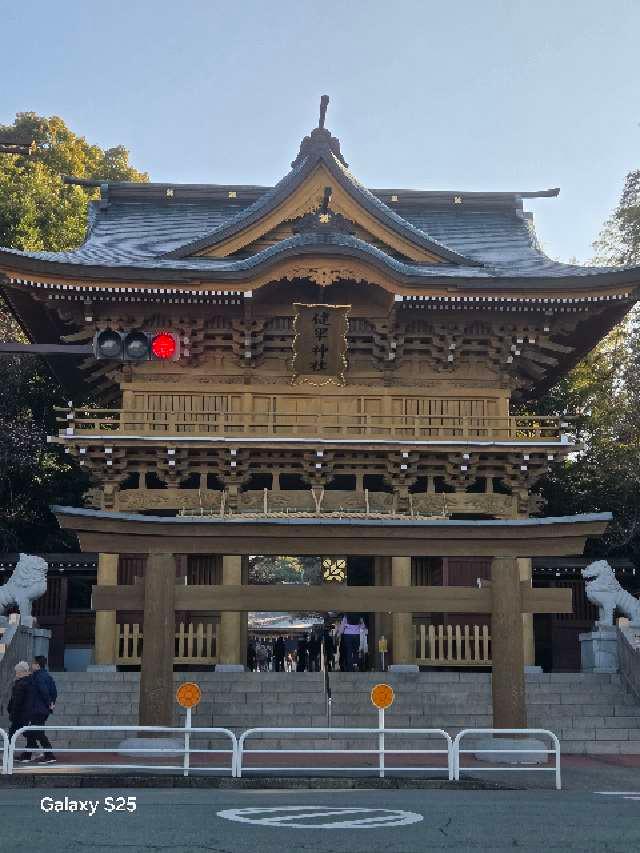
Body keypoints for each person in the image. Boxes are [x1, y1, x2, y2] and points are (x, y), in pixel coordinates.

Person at [22, 655, 57, 764]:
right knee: (32, 731)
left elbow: (44, 691)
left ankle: (49, 755)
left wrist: (49, 703)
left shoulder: (38, 677)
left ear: (37, 665)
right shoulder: (46, 676)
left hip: (38, 709)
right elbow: (54, 692)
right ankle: (28, 754)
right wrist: (51, 703)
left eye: (33, 663)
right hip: (40, 709)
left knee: (38, 732)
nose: (31, 665)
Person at [8, 662, 33, 763]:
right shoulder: (29, 681)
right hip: (26, 713)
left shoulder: (21, 684)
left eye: (17, 672)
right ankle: (29, 753)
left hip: (20, 714)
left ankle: (9, 753)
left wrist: (12, 714)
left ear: (22, 672)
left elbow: (17, 701)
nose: (16, 673)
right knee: (28, 734)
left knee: (12, 733)